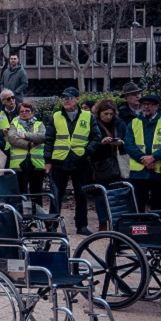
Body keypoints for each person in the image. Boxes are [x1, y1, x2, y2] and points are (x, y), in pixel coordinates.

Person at [44, 87, 93, 235]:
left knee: (81, 195)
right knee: (56, 195)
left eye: (69, 98)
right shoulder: (56, 116)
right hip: (60, 161)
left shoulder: (88, 116)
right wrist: (48, 161)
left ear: (77, 99)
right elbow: (49, 140)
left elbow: (96, 138)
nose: (66, 100)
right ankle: (52, 225)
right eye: (64, 98)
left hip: (80, 162)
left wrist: (86, 152)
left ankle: (81, 225)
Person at [125, 93, 161, 212]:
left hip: (159, 172)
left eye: (150, 104)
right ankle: (137, 229)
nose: (146, 107)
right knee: (137, 207)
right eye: (144, 104)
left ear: (157, 106)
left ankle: (158, 230)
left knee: (160, 207)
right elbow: (129, 145)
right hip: (138, 173)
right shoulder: (133, 123)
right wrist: (145, 159)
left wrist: (153, 157)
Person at [89, 99, 127, 231]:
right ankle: (103, 223)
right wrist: (101, 142)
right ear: (99, 113)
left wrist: (121, 142)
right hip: (100, 163)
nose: (108, 116)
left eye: (111, 114)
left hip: (117, 162)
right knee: (100, 194)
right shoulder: (93, 123)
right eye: (105, 113)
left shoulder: (119, 123)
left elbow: (128, 139)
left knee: (117, 194)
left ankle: (117, 222)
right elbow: (89, 144)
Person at [5, 100, 47, 195]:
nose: (24, 113)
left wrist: (25, 135)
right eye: (21, 111)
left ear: (32, 112)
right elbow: (12, 138)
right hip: (18, 165)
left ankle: (36, 210)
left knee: (36, 195)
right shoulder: (14, 124)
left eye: (27, 111)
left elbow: (43, 137)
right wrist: (30, 144)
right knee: (19, 195)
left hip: (37, 164)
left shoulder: (39, 124)